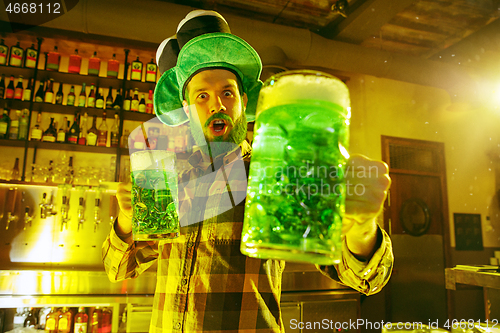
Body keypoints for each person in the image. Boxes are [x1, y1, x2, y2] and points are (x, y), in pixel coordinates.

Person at [102, 10, 393, 332]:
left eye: (227, 92)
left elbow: (364, 277)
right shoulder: (163, 177)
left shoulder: (278, 173)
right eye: (202, 96)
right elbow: (120, 268)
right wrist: (128, 220)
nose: (217, 105)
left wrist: (362, 227)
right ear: (186, 110)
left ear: (243, 102)